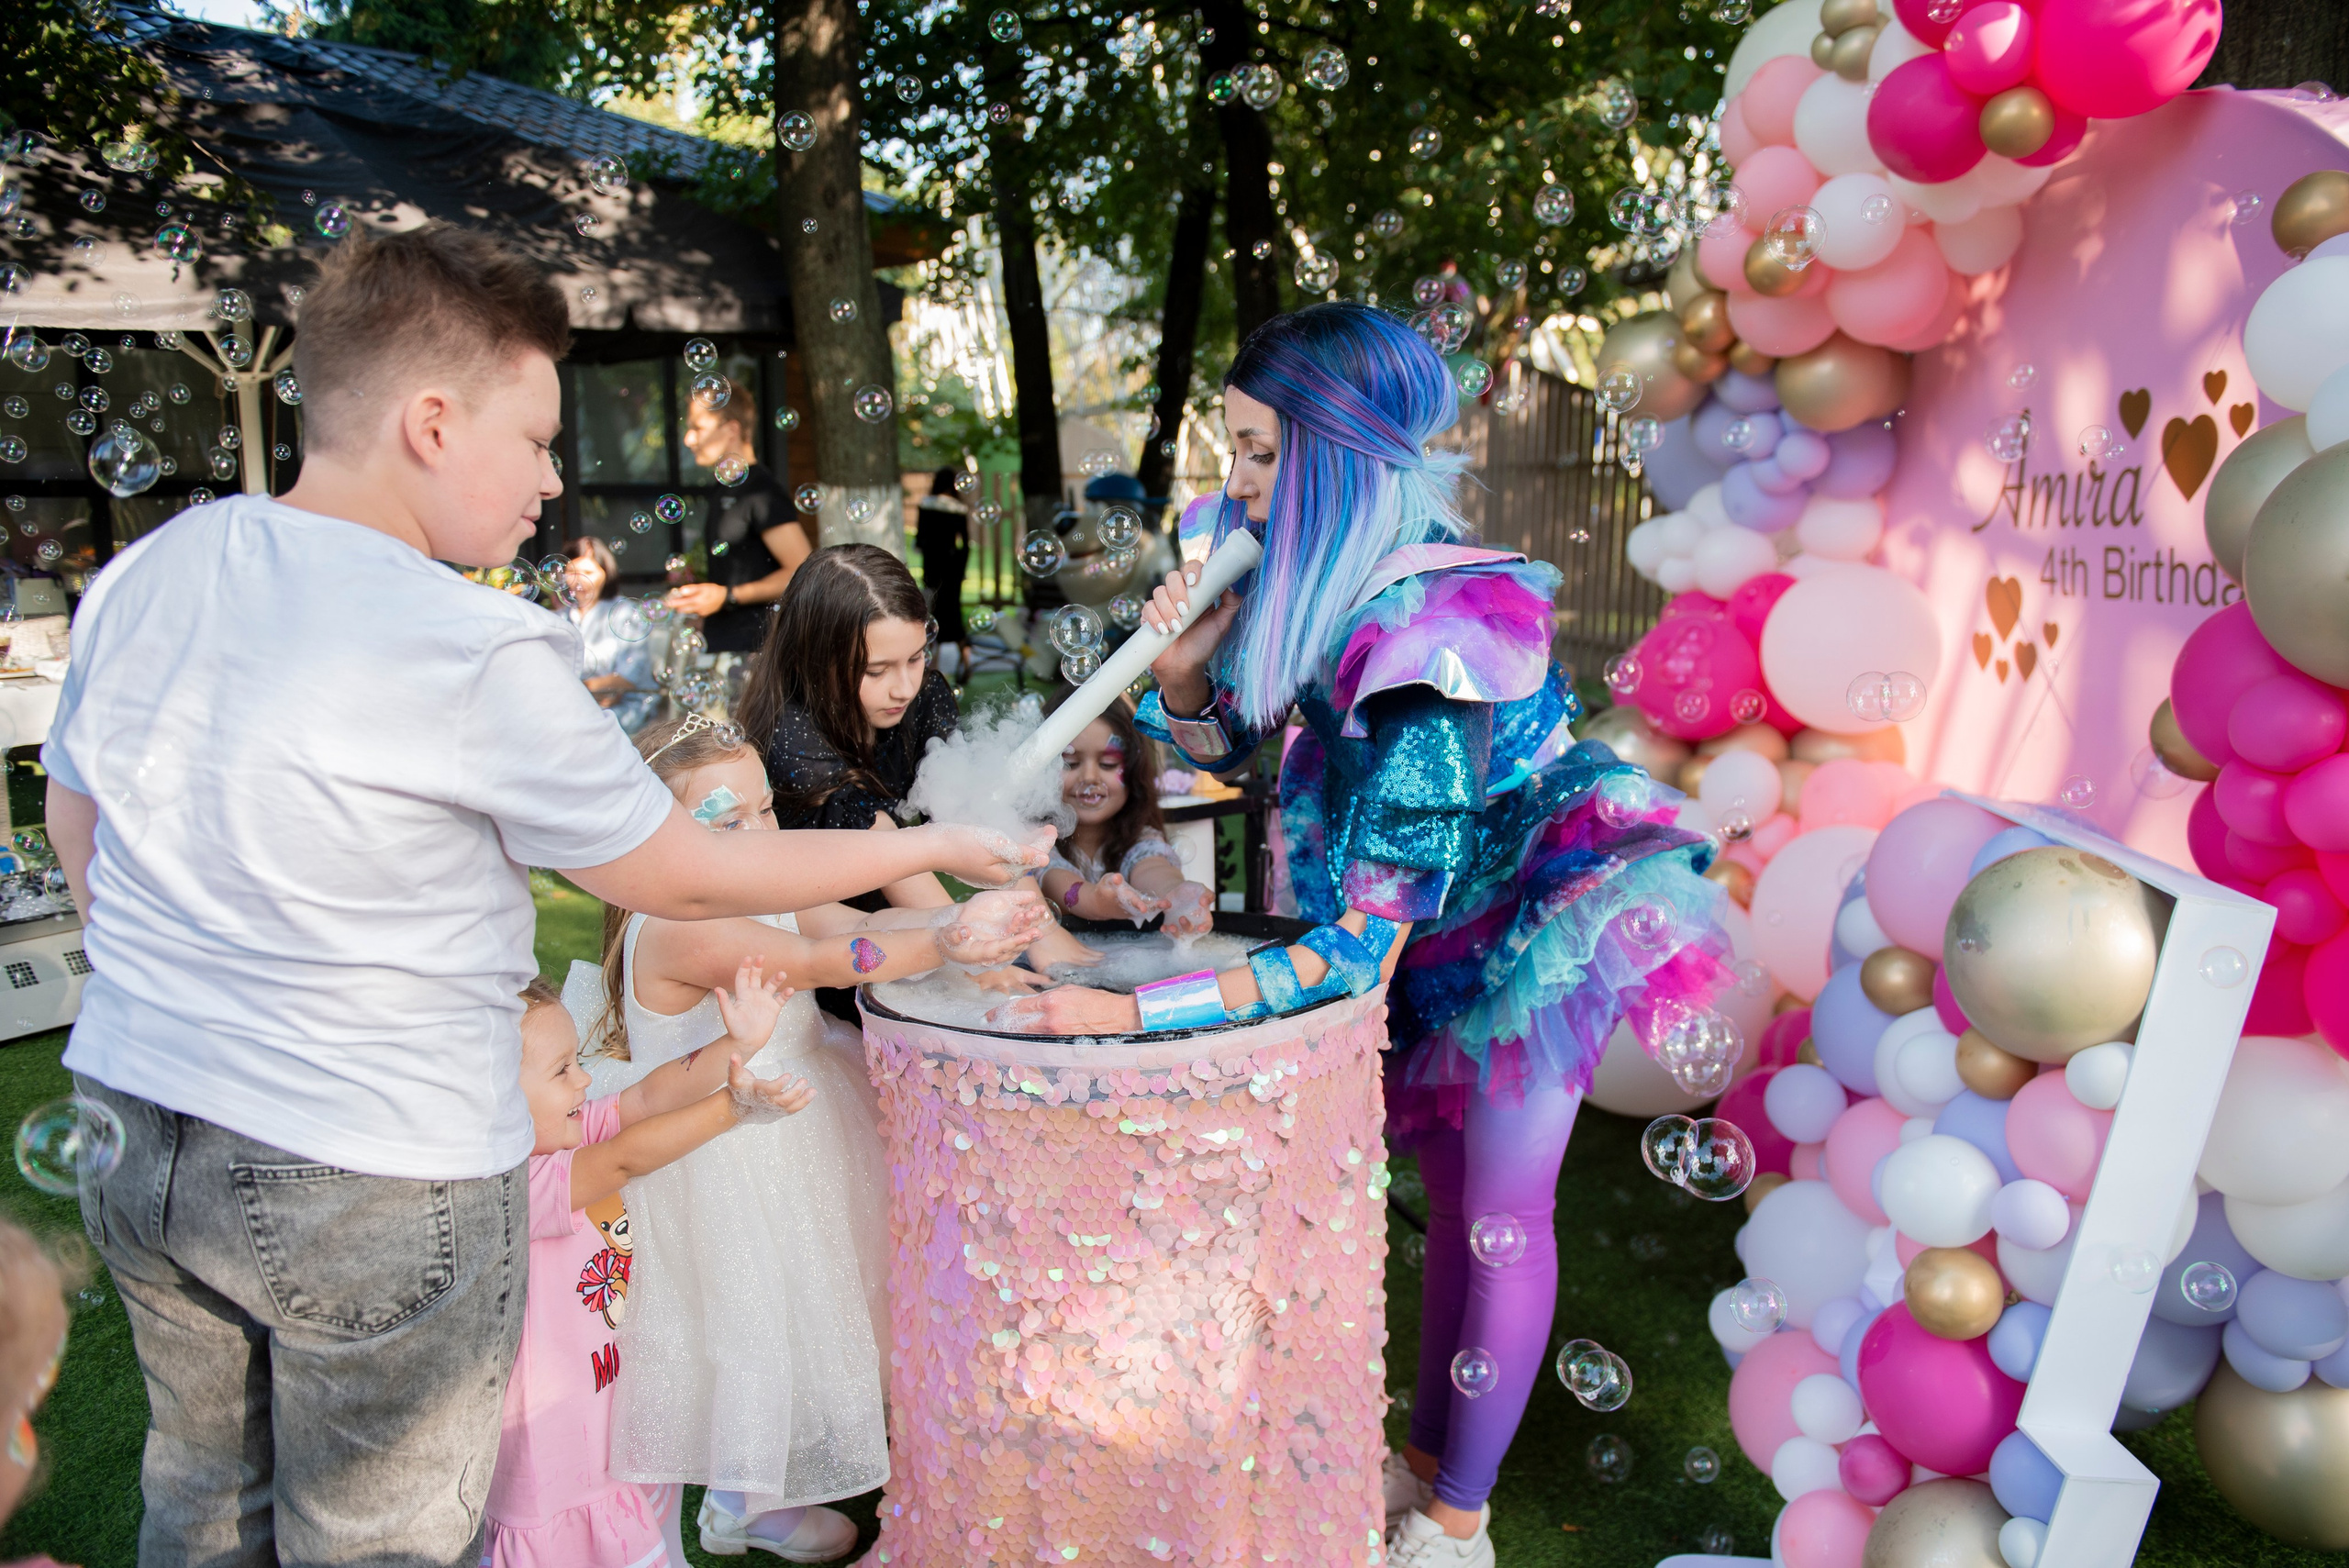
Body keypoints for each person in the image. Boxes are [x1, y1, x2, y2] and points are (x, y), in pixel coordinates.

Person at [45, 222, 1045, 1566]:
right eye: (534, 436)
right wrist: (934, 848)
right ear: (433, 421)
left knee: (210, 1510)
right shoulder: (468, 641)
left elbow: (76, 809)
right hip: (368, 1164)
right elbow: (681, 867)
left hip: (139, 1122)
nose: (552, 476)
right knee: (377, 1539)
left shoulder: (149, 571)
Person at [1003, 303, 1731, 1568]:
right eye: (1231, 451)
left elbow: (1349, 955)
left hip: (1535, 910)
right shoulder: (1304, 570)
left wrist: (1124, 1014)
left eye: (1267, 454)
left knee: (1502, 1205)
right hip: (1428, 910)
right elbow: (1237, 749)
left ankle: (1460, 1521)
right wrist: (1182, 673)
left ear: (1341, 453)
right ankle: (1427, 1461)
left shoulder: (1435, 631)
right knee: (1451, 1204)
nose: (1239, 486)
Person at [576, 715, 1045, 1561]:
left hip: (798, 1111)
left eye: (764, 811)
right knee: (753, 1317)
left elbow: (834, 926)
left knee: (824, 1294)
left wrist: (959, 937)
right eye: (726, 822)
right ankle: (737, 1501)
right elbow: (830, 964)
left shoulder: (760, 887)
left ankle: (768, 1483)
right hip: (729, 1150)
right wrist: (941, 936)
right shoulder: (685, 924)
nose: (758, 836)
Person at [490, 966, 810, 1568]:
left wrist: (739, 1044)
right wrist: (734, 1107)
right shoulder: (516, 1184)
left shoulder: (563, 1136)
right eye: (562, 1070)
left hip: (603, 1408)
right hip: (550, 1452)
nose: (583, 1078)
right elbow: (622, 1160)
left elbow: (647, 1098)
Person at [664, 393, 811, 715]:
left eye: (698, 428)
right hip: (725, 649)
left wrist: (727, 596)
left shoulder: (761, 492)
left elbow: (802, 571)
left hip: (754, 655)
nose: (689, 439)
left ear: (731, 429)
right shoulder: (723, 490)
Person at [1041, 694, 1214, 935]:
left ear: (1134, 773)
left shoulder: (1139, 836)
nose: (1089, 777)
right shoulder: (1034, 839)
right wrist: (1096, 900)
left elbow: (1151, 865)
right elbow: (1054, 879)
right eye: (1070, 762)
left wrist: (1173, 891)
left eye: (1109, 764)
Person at [562, 536, 659, 733]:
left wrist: (581, 690)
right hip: (575, 706)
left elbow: (628, 677)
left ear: (606, 574)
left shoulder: (626, 613)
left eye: (588, 571)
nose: (579, 579)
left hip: (625, 709)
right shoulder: (559, 617)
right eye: (571, 571)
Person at [912, 466, 970, 683]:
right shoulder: (959, 508)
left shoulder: (927, 505)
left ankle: (931, 666)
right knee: (954, 611)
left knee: (932, 612)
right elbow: (965, 544)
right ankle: (966, 658)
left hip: (933, 567)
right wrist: (961, 570)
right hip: (952, 567)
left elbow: (920, 539)